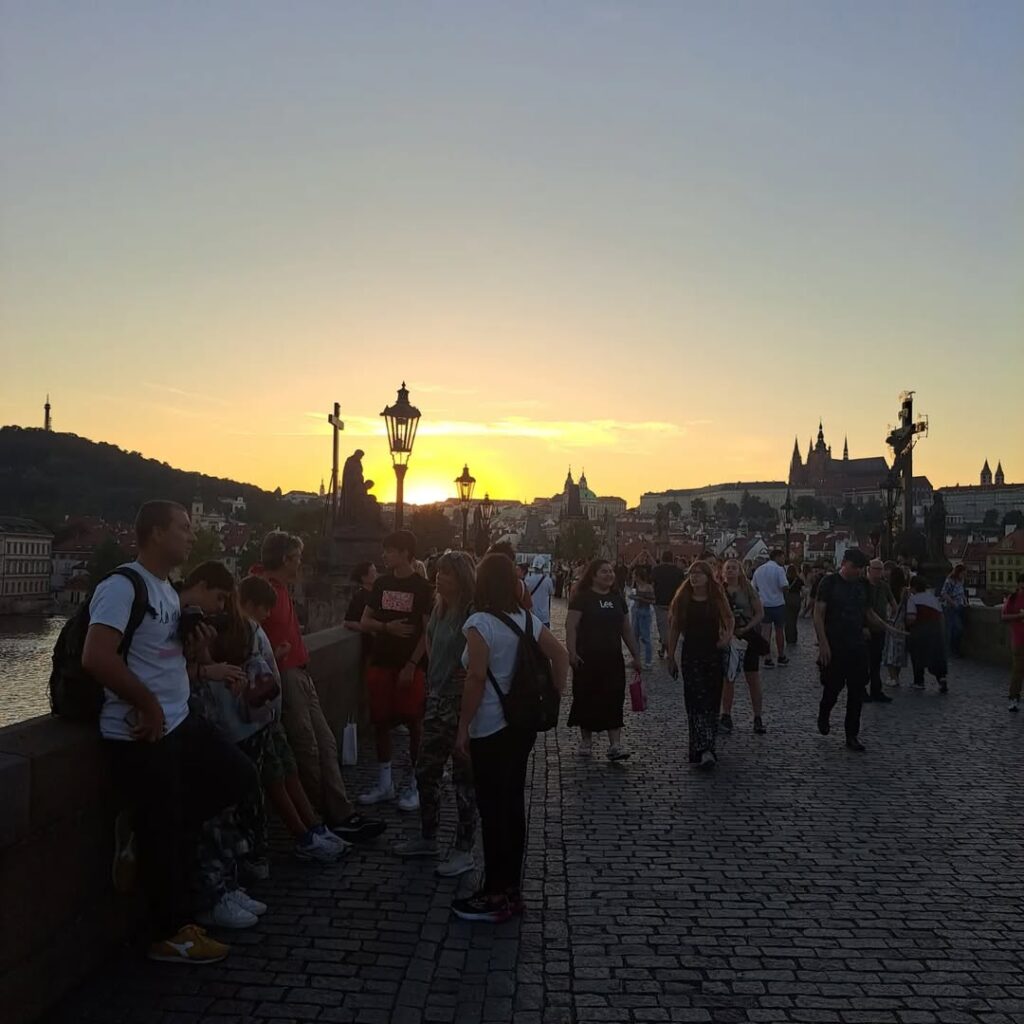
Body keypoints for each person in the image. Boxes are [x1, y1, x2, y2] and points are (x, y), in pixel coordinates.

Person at [82, 500, 256, 964]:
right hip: (142, 732)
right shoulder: (122, 586)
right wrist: (145, 703)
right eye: (183, 527)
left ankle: (146, 834)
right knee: (166, 827)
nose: (190, 535)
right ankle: (170, 934)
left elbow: (162, 659)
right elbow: (97, 657)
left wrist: (198, 656)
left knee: (236, 775)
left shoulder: (165, 591)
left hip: (179, 720)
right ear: (156, 533)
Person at [452, 554, 570, 922]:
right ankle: (512, 889)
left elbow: (474, 678)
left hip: (489, 726)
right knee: (513, 806)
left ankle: (494, 894)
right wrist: (554, 697)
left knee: (492, 810)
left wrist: (461, 729)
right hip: (521, 727)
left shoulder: (479, 623)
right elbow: (561, 656)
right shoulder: (525, 619)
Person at [254, 532, 385, 841]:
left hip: (301, 671)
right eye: (297, 557)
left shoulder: (280, 588)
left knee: (325, 744)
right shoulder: (262, 592)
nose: (301, 563)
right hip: (284, 675)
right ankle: (327, 817)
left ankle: (342, 813)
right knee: (308, 748)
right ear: (285, 559)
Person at [214, 576, 347, 869]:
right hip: (253, 720)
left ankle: (312, 827)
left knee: (287, 770)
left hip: (267, 716)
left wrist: (276, 655)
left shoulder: (248, 627)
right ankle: (303, 837)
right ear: (247, 604)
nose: (267, 616)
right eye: (263, 610)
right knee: (273, 777)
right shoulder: (237, 629)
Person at [394, 550, 478, 877]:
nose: (439, 578)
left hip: (460, 705)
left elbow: (479, 653)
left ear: (462, 578)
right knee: (425, 771)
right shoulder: (440, 608)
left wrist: (464, 669)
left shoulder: (471, 612)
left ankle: (463, 848)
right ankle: (428, 837)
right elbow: (431, 643)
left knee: (463, 780)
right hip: (437, 700)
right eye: (438, 572)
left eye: (447, 574)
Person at [358, 530, 434, 810]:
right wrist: (386, 627)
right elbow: (365, 621)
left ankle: (415, 784)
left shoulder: (423, 588)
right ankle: (385, 783)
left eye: (389, 551)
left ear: (405, 553)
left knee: (414, 723)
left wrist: (412, 664)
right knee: (380, 721)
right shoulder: (382, 584)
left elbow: (428, 633)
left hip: (409, 666)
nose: (384, 555)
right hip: (382, 660)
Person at [814, 549, 901, 751]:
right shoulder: (829, 583)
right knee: (833, 689)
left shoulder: (862, 585)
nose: (857, 572)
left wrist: (887, 627)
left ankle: (851, 735)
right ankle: (824, 712)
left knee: (856, 692)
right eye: (854, 568)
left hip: (858, 644)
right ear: (844, 563)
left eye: (860, 569)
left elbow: (868, 612)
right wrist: (823, 643)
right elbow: (819, 614)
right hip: (835, 644)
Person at [566, 559, 643, 760]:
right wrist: (571, 651)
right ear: (593, 575)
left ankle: (615, 744)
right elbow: (571, 625)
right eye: (604, 571)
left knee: (614, 698)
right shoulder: (582, 598)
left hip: (612, 658)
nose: (609, 575)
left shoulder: (617, 598)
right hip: (587, 657)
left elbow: (626, 630)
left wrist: (636, 655)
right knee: (585, 696)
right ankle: (586, 741)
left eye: (610, 571)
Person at [667, 560, 733, 769]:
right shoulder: (683, 599)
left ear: (708, 577)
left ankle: (707, 746)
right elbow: (675, 628)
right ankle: (703, 749)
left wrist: (726, 638)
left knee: (712, 702)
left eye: (699, 573)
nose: (694, 577)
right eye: (691, 573)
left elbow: (729, 619)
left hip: (713, 654)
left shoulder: (716, 598)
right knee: (696, 702)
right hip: (691, 655)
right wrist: (670, 655)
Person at [720, 558, 766, 735]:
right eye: (728, 568)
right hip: (729, 637)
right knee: (728, 678)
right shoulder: (720, 590)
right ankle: (726, 715)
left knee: (752, 678)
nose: (731, 570)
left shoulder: (747, 589)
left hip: (747, 636)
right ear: (723, 572)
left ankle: (757, 717)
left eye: (734, 568)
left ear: (739, 571)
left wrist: (747, 627)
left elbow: (760, 613)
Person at [906, 576, 949, 693]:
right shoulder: (933, 598)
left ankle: (919, 681)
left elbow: (911, 618)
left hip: (920, 631)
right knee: (936, 657)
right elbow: (941, 616)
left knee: (918, 657)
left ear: (913, 587)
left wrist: (906, 624)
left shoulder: (913, 599)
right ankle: (942, 679)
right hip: (936, 631)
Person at [863, 559, 897, 704]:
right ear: (869, 570)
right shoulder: (864, 586)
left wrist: (893, 618)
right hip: (866, 630)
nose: (878, 572)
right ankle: (862, 691)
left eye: (880, 569)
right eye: (875, 569)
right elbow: (862, 609)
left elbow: (893, 603)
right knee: (864, 663)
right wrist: (863, 626)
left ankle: (876, 691)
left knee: (876, 662)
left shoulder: (884, 586)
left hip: (880, 629)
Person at [752, 549, 790, 667]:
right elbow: (784, 586)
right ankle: (781, 656)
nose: (784, 560)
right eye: (783, 557)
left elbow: (753, 588)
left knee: (765, 632)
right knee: (779, 631)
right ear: (778, 557)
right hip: (778, 604)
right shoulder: (779, 569)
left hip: (764, 604)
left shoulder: (759, 570)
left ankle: (767, 658)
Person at [650, 551, 685, 660]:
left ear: (662, 558)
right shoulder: (679, 571)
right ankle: (666, 649)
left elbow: (652, 584)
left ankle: (666, 649)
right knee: (672, 627)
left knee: (662, 627)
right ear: (672, 558)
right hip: (674, 602)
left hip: (660, 601)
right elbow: (682, 587)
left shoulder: (656, 570)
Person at [882, 565, 910, 686]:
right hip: (901, 623)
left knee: (889, 650)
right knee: (899, 651)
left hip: (890, 622)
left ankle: (892, 677)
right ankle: (896, 676)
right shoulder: (906, 591)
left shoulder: (888, 589)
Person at [1002, 574, 1024, 712]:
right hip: (1019, 639)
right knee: (1018, 670)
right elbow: (1004, 616)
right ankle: (1013, 698)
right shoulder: (1013, 598)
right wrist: (1018, 616)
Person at [939, 564, 969, 657]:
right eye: (963, 574)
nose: (964, 576)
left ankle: (956, 650)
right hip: (951, 608)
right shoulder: (950, 580)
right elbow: (943, 593)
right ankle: (953, 650)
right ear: (958, 572)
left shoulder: (961, 580)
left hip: (960, 607)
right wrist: (953, 603)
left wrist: (965, 601)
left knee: (957, 629)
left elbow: (961, 593)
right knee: (956, 629)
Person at [631, 565, 655, 669]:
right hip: (636, 611)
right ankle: (636, 659)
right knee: (634, 637)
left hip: (644, 612)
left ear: (638, 576)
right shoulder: (636, 586)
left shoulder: (648, 587)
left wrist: (641, 598)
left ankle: (648, 661)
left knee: (646, 638)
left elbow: (653, 601)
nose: (632, 576)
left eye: (634, 575)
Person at [524, 557, 555, 629]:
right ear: (543, 566)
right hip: (544, 616)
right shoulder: (548, 580)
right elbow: (551, 592)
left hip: (532, 614)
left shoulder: (528, 579)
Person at [784, 564, 804, 646]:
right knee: (794, 620)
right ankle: (794, 638)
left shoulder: (785, 579)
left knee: (788, 620)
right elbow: (803, 589)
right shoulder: (799, 579)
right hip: (796, 598)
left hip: (788, 599)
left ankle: (789, 638)